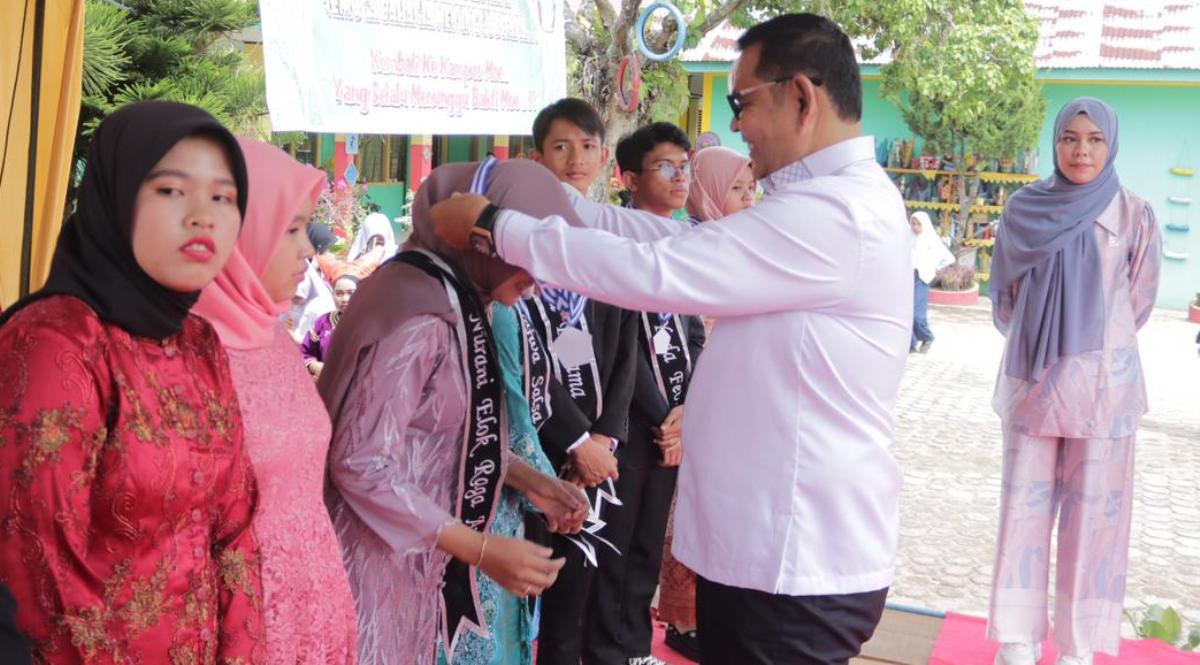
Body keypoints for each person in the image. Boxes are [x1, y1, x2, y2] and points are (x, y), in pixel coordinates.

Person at [430, 13, 912, 664]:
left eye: (742, 102)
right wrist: (560, 207)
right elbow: (676, 241)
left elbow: (660, 272)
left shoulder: (838, 214)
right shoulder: (818, 203)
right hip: (769, 550)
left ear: (801, 96)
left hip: (794, 558)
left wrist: (498, 225)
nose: (735, 125)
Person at [0, 101, 264, 662]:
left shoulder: (200, 344)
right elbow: (40, 574)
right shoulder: (57, 343)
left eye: (223, 197)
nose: (203, 216)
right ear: (116, 199)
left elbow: (235, 533)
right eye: (171, 191)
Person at [318, 161, 590, 665]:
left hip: (426, 552)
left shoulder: (461, 298)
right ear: (476, 239)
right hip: (382, 558)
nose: (537, 279)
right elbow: (361, 462)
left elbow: (445, 436)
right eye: (526, 254)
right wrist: (480, 549)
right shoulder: (421, 313)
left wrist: (532, 482)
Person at [987, 98, 1162, 665]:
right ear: (1054, 143)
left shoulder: (1135, 214)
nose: (1081, 150)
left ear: (1110, 145)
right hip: (1037, 383)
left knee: (1096, 520)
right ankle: (1017, 640)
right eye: (1069, 138)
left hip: (1104, 394)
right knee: (1024, 512)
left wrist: (1089, 344)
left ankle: (1078, 647)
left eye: (1093, 140)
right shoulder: (1022, 209)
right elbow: (1006, 298)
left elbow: (1138, 300)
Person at [193, 139, 359, 663]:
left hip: (312, 604)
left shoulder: (273, 336)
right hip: (242, 625)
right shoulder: (189, 352)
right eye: (291, 229)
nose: (308, 250)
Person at [579, 122, 706, 665]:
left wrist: (687, 410)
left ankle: (634, 646)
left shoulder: (686, 242)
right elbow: (624, 345)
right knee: (617, 542)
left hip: (672, 424)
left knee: (648, 545)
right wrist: (663, 415)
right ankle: (606, 649)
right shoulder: (616, 243)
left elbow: (694, 332)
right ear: (628, 178)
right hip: (630, 424)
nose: (680, 178)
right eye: (666, 167)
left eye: (686, 166)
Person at [526, 98, 640, 665]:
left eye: (589, 147)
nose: (577, 159)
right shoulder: (519, 241)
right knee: (526, 587)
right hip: (535, 447)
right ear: (535, 156)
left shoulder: (607, 240)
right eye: (561, 146)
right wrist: (571, 442)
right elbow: (518, 360)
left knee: (578, 593)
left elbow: (627, 356)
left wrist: (603, 440)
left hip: (596, 449)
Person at [659, 143, 754, 660]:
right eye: (735, 188)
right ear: (710, 190)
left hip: (735, 401)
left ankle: (714, 612)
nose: (746, 198)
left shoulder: (746, 244)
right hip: (689, 395)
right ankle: (682, 619)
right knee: (687, 509)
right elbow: (677, 333)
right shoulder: (691, 244)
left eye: (749, 187)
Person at [287, 221, 339, 343]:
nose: (293, 300)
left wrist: (293, 339)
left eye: (298, 297)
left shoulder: (322, 307)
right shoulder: (283, 303)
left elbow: (321, 348)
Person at [910, 211, 954, 353]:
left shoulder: (931, 239)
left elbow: (948, 258)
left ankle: (927, 336)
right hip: (908, 277)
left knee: (917, 314)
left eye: (918, 224)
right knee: (906, 312)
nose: (916, 227)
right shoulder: (908, 238)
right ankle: (911, 343)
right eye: (913, 224)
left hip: (922, 278)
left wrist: (933, 268)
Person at [302, 274, 359, 379]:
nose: (345, 299)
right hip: (323, 384)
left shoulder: (369, 325)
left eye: (351, 293)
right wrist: (314, 366)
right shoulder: (322, 322)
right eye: (339, 293)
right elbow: (306, 351)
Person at [684, 146, 755, 223]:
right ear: (708, 192)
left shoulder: (745, 229)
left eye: (751, 187)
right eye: (736, 188)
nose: (748, 197)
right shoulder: (692, 233)